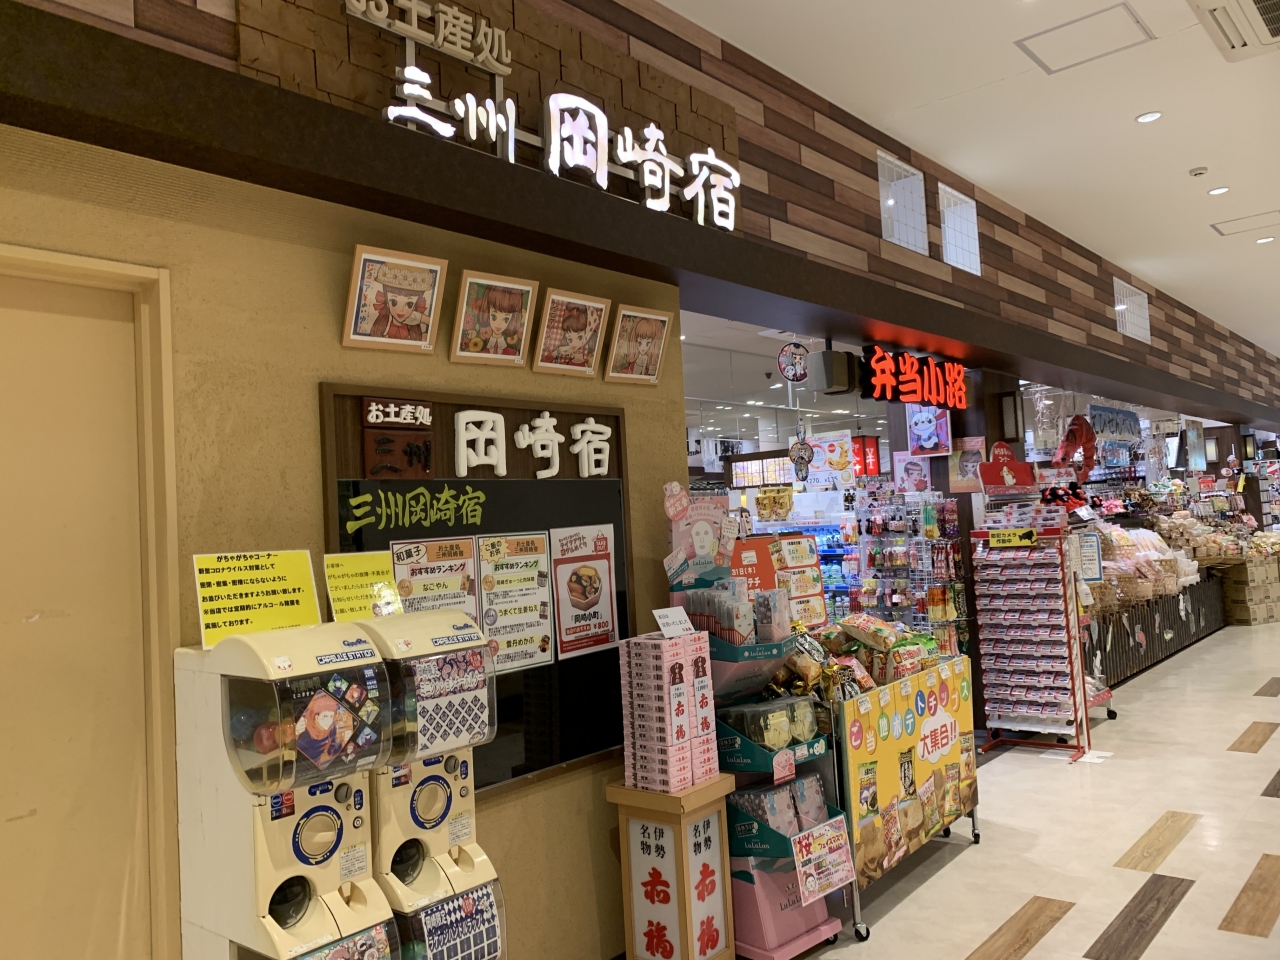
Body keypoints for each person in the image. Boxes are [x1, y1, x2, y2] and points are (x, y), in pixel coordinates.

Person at [365, 263, 434, 341]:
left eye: (409, 304)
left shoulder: (422, 336)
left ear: (415, 305)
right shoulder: (381, 328)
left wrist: (423, 319)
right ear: (387, 302)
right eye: (393, 302)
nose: (401, 310)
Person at [467, 285, 525, 355]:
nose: (499, 324)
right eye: (494, 317)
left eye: (506, 319)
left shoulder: (514, 353)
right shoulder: (480, 353)